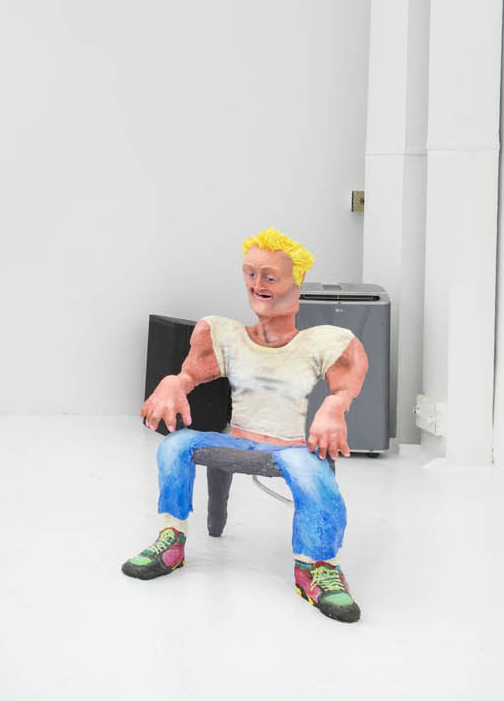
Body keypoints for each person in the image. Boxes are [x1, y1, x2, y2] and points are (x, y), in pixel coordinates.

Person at [122, 227, 368, 622]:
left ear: (297, 282)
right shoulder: (228, 337)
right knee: (174, 445)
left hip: (290, 449)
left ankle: (317, 566)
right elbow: (189, 375)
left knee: (313, 471)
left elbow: (343, 385)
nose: (258, 285)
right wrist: (173, 383)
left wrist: (334, 407)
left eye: (270, 276)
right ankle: (172, 537)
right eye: (250, 274)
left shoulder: (320, 342)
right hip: (236, 441)